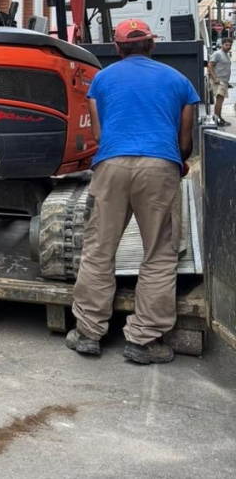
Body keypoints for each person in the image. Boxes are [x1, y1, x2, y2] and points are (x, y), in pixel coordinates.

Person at [66, 19, 200, 365]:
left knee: (98, 249)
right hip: (160, 166)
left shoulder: (101, 80)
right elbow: (185, 142)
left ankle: (88, 332)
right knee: (159, 253)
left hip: (110, 165)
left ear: (117, 48)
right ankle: (143, 340)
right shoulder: (179, 82)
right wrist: (174, 163)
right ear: (152, 46)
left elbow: (98, 135)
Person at [208, 37, 232, 127]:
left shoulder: (226, 54)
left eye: (230, 45)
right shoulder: (218, 54)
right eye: (226, 45)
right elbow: (210, 65)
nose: (228, 47)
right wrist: (214, 78)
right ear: (222, 45)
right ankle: (217, 119)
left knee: (220, 101)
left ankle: (219, 118)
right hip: (219, 81)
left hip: (224, 81)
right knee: (219, 100)